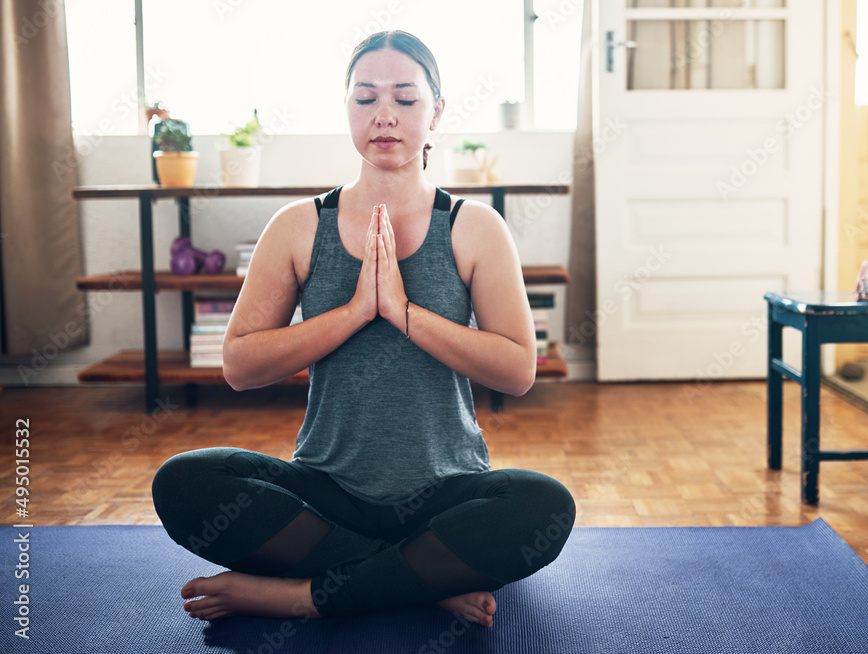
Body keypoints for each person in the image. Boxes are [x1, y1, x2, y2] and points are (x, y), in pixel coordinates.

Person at [151, 30, 575, 629]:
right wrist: (354, 312)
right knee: (183, 483)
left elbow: (517, 370)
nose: (384, 115)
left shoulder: (474, 227)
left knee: (546, 507)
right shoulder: (298, 226)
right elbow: (240, 366)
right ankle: (418, 581)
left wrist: (405, 314)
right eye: (364, 98)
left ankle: (300, 595)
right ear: (345, 107)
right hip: (324, 494)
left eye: (405, 99)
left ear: (437, 113)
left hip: (446, 494)